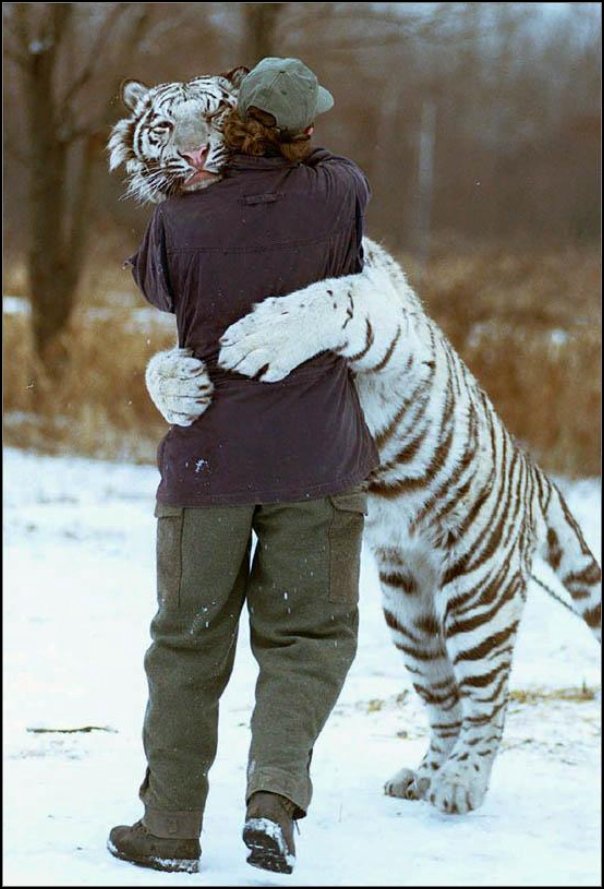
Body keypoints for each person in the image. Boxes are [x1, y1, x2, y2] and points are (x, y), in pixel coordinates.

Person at [107, 57, 379, 876]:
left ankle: (169, 828)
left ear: (228, 122)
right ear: (303, 125)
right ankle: (272, 798)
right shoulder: (342, 190)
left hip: (208, 464)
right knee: (308, 638)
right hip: (319, 461)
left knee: (188, 644)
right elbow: (349, 246)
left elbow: (158, 293)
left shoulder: (180, 217)